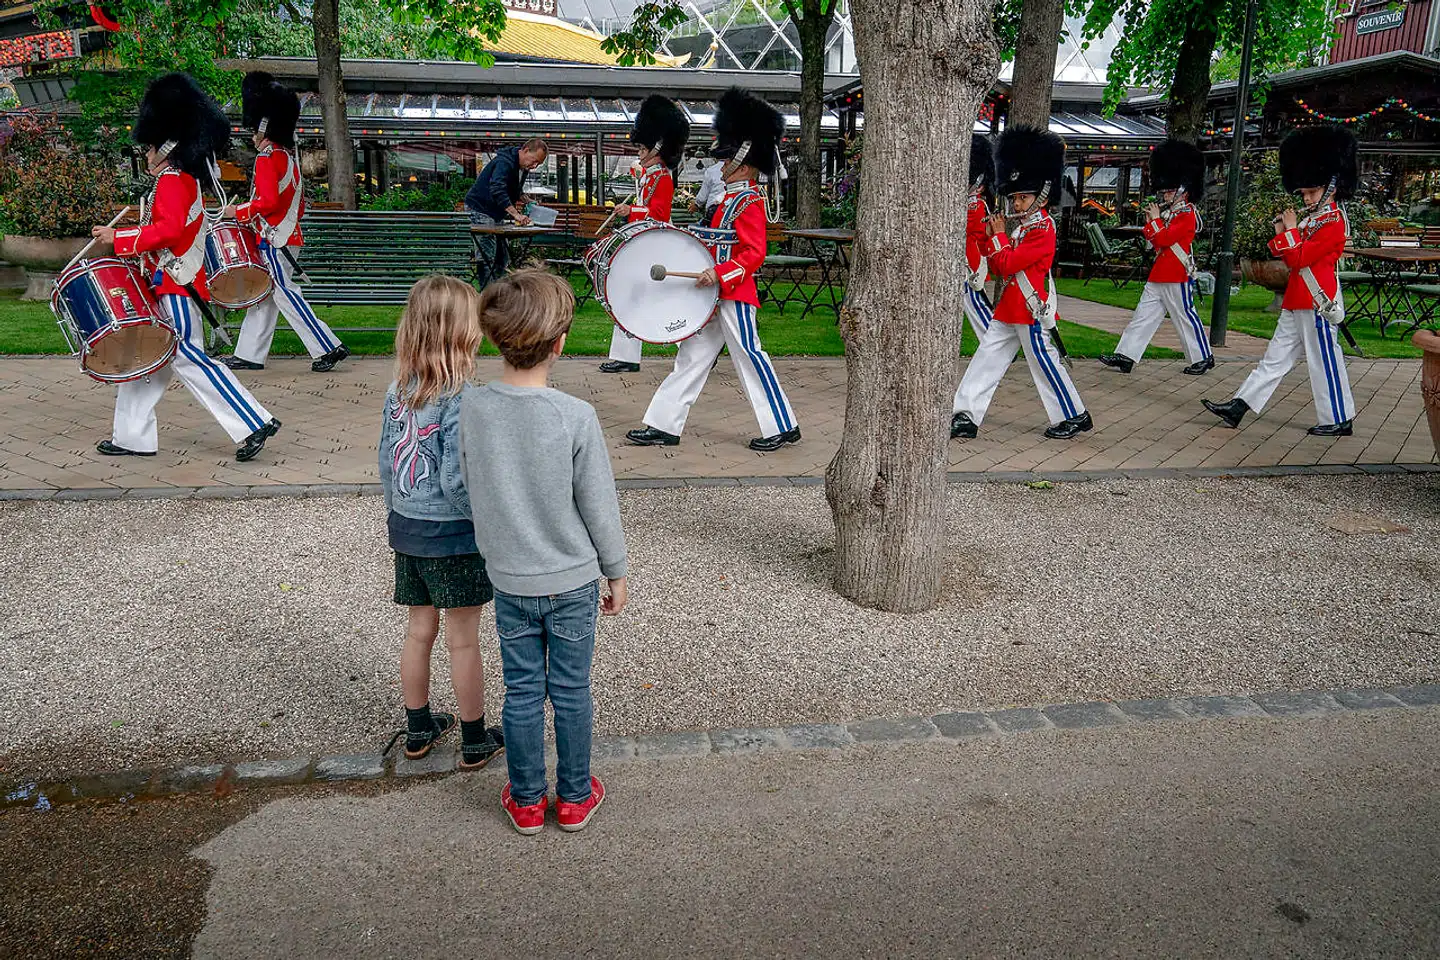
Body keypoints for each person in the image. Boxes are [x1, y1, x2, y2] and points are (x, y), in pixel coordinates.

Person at [459, 268, 628, 835]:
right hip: (573, 578)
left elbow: (465, 484)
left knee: (524, 690)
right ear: (560, 343)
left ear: (493, 337)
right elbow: (598, 503)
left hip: (511, 580)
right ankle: (576, 796)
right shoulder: (574, 416)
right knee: (572, 691)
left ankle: (528, 799)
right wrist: (616, 570)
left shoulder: (472, 409)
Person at [89, 72, 280, 463]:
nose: (146, 154)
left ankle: (253, 420)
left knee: (187, 358)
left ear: (168, 145)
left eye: (151, 148)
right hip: (168, 279)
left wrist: (120, 240)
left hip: (176, 282)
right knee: (146, 357)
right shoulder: (177, 179)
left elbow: (171, 230)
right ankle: (132, 436)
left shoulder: (176, 180)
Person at [626, 88, 801, 453]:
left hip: (734, 293)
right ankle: (663, 424)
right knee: (690, 358)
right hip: (713, 293)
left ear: (744, 161)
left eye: (726, 160)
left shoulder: (749, 200)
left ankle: (782, 425)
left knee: (750, 357)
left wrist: (720, 274)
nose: (720, 166)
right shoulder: (731, 199)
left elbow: (754, 253)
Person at [379, 274, 506, 771]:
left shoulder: (397, 391)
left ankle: (418, 727)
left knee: (418, 631)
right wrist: (486, 520)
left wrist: (399, 513)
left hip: (409, 528)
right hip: (453, 535)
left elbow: (388, 461)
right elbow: (457, 482)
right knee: (464, 638)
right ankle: (474, 738)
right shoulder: (463, 398)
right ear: (463, 332)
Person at [1203, 125, 1358, 437]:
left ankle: (1339, 417)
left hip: (1317, 300)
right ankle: (1240, 405)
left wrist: (1288, 231)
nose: (1307, 197)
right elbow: (1290, 257)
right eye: (1304, 192)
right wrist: (1283, 230)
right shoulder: (1314, 219)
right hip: (1298, 298)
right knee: (1274, 358)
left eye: (1312, 192)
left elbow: (1300, 258)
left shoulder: (1334, 222)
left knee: (1323, 360)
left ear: (1332, 187)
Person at [950, 125, 1091, 441]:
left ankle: (1074, 413)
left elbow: (1007, 264)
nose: (1016, 205)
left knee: (1044, 364)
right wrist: (992, 238)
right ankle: (966, 415)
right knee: (986, 358)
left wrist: (996, 236)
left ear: (1041, 195)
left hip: (1029, 308)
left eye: (1023, 198)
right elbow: (999, 262)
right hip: (1010, 308)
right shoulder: (1023, 228)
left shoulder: (1042, 230)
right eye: (1014, 198)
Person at [223, 71, 349, 374]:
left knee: (285, 294)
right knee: (265, 297)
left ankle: (327, 345)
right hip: (286, 235)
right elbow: (296, 203)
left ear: (263, 129)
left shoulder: (267, 158)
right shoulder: (287, 157)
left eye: (254, 130)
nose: (251, 135)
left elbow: (267, 203)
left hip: (273, 239)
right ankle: (249, 353)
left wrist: (237, 212)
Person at [1099, 139, 1213, 375]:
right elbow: (1153, 239)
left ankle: (1203, 357)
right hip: (1161, 272)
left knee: (1185, 317)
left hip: (1177, 273)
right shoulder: (1173, 213)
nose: (1166, 193)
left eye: (1171, 190)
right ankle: (1126, 355)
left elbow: (1163, 239)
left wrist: (1155, 220)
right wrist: (1155, 221)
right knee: (1143, 316)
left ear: (1184, 189)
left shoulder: (1187, 214)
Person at [600, 94, 690, 375]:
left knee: (648, 298)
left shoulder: (661, 177)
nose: (638, 151)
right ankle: (626, 356)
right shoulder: (649, 176)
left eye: (642, 147)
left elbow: (659, 216)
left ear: (657, 146)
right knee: (632, 296)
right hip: (644, 243)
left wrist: (631, 212)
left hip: (654, 244)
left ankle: (693, 347)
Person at [465, 138, 547, 289]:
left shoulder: (520, 167)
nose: (534, 166)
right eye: (534, 161)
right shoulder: (504, 162)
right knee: (486, 256)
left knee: (502, 257)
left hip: (495, 214)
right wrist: (516, 215)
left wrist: (528, 201)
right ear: (526, 150)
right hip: (480, 209)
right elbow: (497, 189)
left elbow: (515, 190)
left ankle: (500, 292)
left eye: (538, 164)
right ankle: (487, 294)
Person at [961, 133, 996, 344]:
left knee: (976, 306)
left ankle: (993, 343)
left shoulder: (976, 205)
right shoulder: (971, 203)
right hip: (963, 261)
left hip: (969, 264)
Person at [690, 155, 726, 223]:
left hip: (714, 209)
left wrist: (696, 204)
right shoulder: (738, 169)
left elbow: (703, 196)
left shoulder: (711, 170)